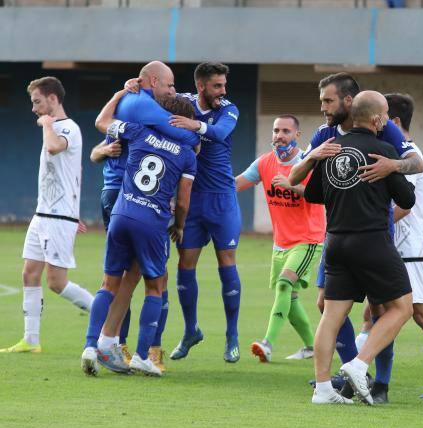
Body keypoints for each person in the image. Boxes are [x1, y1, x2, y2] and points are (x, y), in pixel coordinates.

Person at [287, 72, 423, 390]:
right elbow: (295, 176)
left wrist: (393, 166)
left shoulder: (385, 128)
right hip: (353, 236)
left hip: (350, 236)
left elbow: (417, 163)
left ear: (349, 101)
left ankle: (380, 383)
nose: (322, 107)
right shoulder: (325, 134)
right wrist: (312, 158)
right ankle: (351, 371)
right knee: (329, 305)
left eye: (327, 100)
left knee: (374, 308)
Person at [86, 61, 199, 372]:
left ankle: (96, 343)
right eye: (171, 85)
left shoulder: (138, 126)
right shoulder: (184, 146)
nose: (172, 89)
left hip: (121, 204)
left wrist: (119, 92)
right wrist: (179, 225)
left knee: (116, 278)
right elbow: (185, 197)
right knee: (153, 282)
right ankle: (140, 353)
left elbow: (101, 125)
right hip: (148, 214)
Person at [355, 93, 423, 403]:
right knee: (371, 314)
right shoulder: (396, 153)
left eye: (385, 116)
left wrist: (370, 222)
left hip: (405, 245)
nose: (381, 122)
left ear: (395, 122)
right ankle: (356, 369)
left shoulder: (408, 156)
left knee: (422, 313)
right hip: (397, 245)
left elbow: (403, 206)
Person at [152, 62, 242, 364]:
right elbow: (155, 103)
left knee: (226, 260)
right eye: (217, 86)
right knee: (185, 264)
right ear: (201, 85)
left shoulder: (228, 109)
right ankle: (191, 331)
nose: (223, 91)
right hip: (191, 200)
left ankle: (232, 336)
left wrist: (195, 126)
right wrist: (133, 87)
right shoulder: (184, 103)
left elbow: (218, 134)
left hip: (221, 200)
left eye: (224, 85)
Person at [1, 77, 94, 354]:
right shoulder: (55, 127)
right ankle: (31, 340)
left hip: (57, 218)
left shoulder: (67, 129)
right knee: (29, 273)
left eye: (37, 102)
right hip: (43, 214)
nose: (34, 109)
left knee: (56, 283)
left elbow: (54, 147)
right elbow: (74, 172)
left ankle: (106, 315)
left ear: (53, 99)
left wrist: (48, 124)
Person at [235, 115, 325, 362]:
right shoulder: (264, 163)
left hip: (308, 239)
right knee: (291, 297)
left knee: (285, 285)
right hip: (281, 242)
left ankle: (267, 344)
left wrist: (291, 186)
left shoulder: (308, 163)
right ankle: (311, 347)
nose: (279, 135)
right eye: (276, 130)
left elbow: (321, 195)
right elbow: (236, 184)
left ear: (297, 135)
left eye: (286, 131)